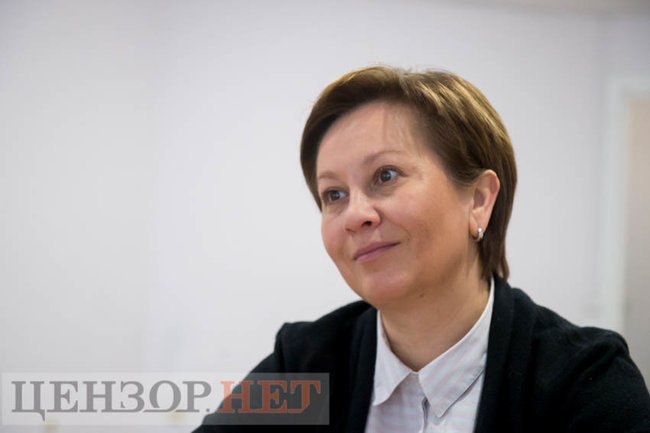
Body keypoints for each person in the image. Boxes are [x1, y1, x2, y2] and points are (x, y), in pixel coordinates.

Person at [195, 66, 650, 432]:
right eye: (334, 194)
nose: (355, 214)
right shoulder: (304, 365)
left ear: (478, 200)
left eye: (386, 175)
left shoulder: (584, 381)